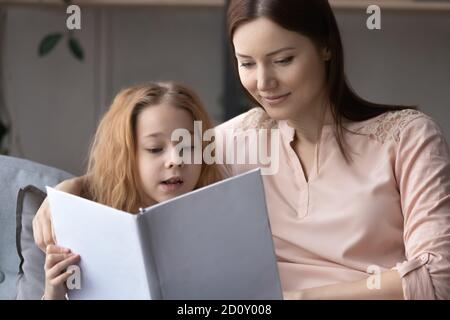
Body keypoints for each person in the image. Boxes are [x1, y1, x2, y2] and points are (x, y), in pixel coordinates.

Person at [35, 0, 450, 299]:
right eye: (247, 63)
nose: (263, 82)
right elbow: (146, 167)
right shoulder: (236, 139)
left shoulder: (406, 138)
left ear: (325, 47)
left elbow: (438, 279)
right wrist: (69, 192)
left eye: (283, 59)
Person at [42, 82, 222, 299]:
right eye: (155, 149)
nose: (176, 160)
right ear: (126, 157)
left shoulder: (221, 214)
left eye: (189, 147)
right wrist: (54, 293)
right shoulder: (82, 223)